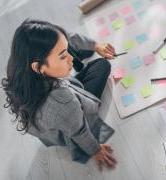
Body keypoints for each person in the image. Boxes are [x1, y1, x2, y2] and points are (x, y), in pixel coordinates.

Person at [1, 19, 117, 171]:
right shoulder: (62, 102)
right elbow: (79, 131)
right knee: (102, 65)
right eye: (63, 56)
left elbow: (66, 37)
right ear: (38, 67)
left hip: (56, 94)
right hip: (66, 117)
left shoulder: (20, 66)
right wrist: (95, 150)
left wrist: (96, 45)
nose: (70, 58)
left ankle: (69, 53)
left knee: (76, 46)